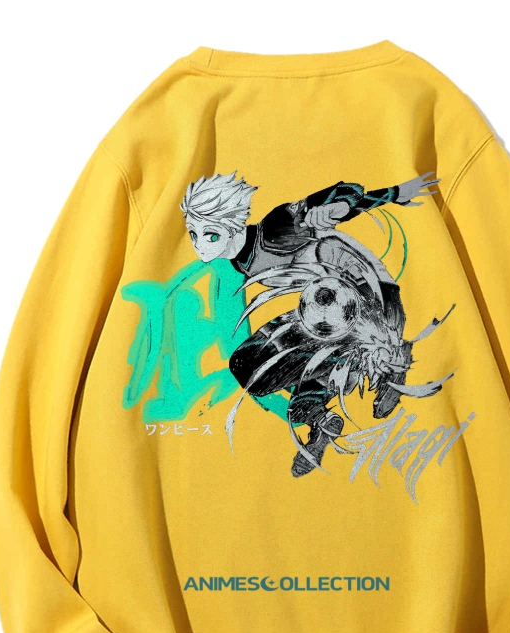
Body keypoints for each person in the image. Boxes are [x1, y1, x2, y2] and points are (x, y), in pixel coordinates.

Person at [181, 170, 439, 476]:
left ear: (234, 225)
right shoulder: (242, 262)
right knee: (248, 365)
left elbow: (341, 193)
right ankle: (322, 422)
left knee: (315, 339)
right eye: (193, 235)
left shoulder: (275, 229)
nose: (199, 246)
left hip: (373, 301)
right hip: (328, 316)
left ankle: (390, 358)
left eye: (211, 235)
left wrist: (363, 200)